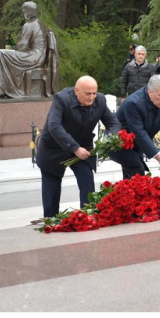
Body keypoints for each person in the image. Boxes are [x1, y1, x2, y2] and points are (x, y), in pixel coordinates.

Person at [36, 76, 120, 218]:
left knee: (87, 178)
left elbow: (113, 123)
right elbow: (54, 126)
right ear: (76, 91)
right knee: (52, 188)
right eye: (88, 93)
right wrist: (75, 148)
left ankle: (88, 216)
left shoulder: (100, 100)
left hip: (83, 148)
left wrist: (108, 139)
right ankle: (50, 220)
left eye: (94, 93)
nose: (92, 97)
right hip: (54, 148)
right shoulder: (61, 99)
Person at [0, 1, 59, 99]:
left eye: (24, 12)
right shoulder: (41, 23)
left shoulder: (29, 25)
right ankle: (2, 88)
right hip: (40, 57)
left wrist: (15, 48)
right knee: (4, 56)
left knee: (1, 53)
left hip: (33, 57)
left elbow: (22, 47)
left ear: (29, 12)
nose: (24, 14)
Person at [109, 75, 160, 180]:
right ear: (150, 92)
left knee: (130, 180)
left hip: (137, 145)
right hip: (119, 145)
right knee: (137, 172)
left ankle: (126, 196)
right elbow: (138, 132)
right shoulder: (133, 103)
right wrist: (158, 156)